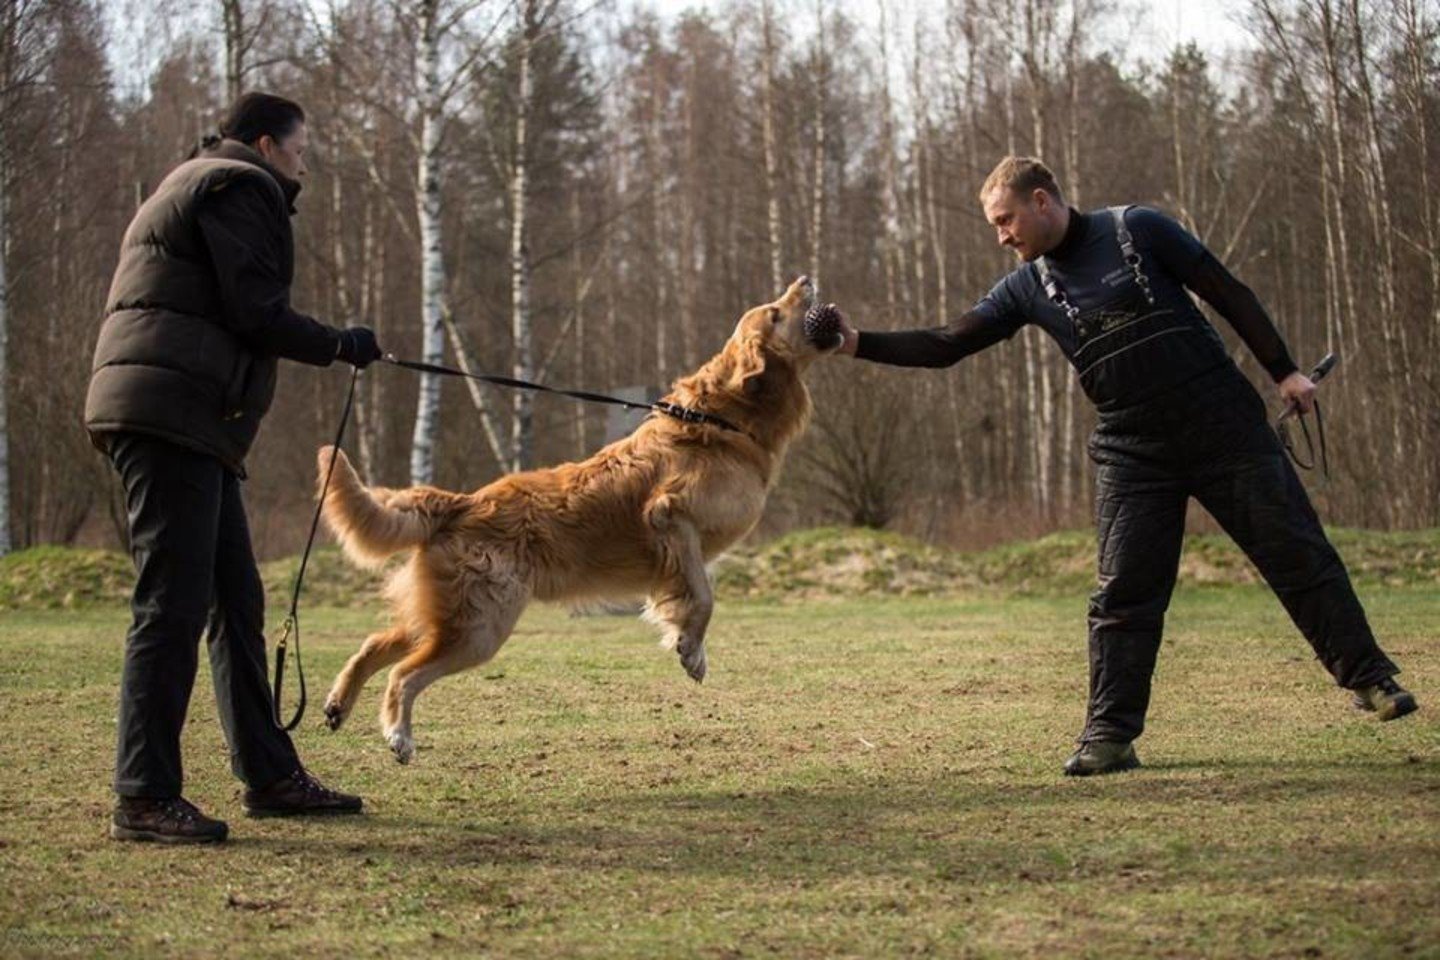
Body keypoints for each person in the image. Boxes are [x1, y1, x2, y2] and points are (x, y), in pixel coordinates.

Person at [835, 156, 1418, 776]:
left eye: (1005, 220)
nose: (1001, 235)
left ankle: (1372, 680)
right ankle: (1109, 736)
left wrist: (1284, 371)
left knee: (1297, 552)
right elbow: (947, 344)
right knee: (1123, 596)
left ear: (1041, 201)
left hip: (1224, 424)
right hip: (1132, 448)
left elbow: (1227, 291)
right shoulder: (1026, 287)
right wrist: (857, 343)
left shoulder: (1139, 228)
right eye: (994, 225)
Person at [84, 92, 384, 842]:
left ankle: (270, 774)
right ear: (265, 142)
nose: (304, 163)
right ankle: (144, 795)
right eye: (300, 149)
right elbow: (254, 309)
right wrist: (340, 343)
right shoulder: (238, 184)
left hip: (183, 416)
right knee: (171, 606)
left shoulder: (197, 178)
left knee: (235, 601)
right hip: (171, 415)